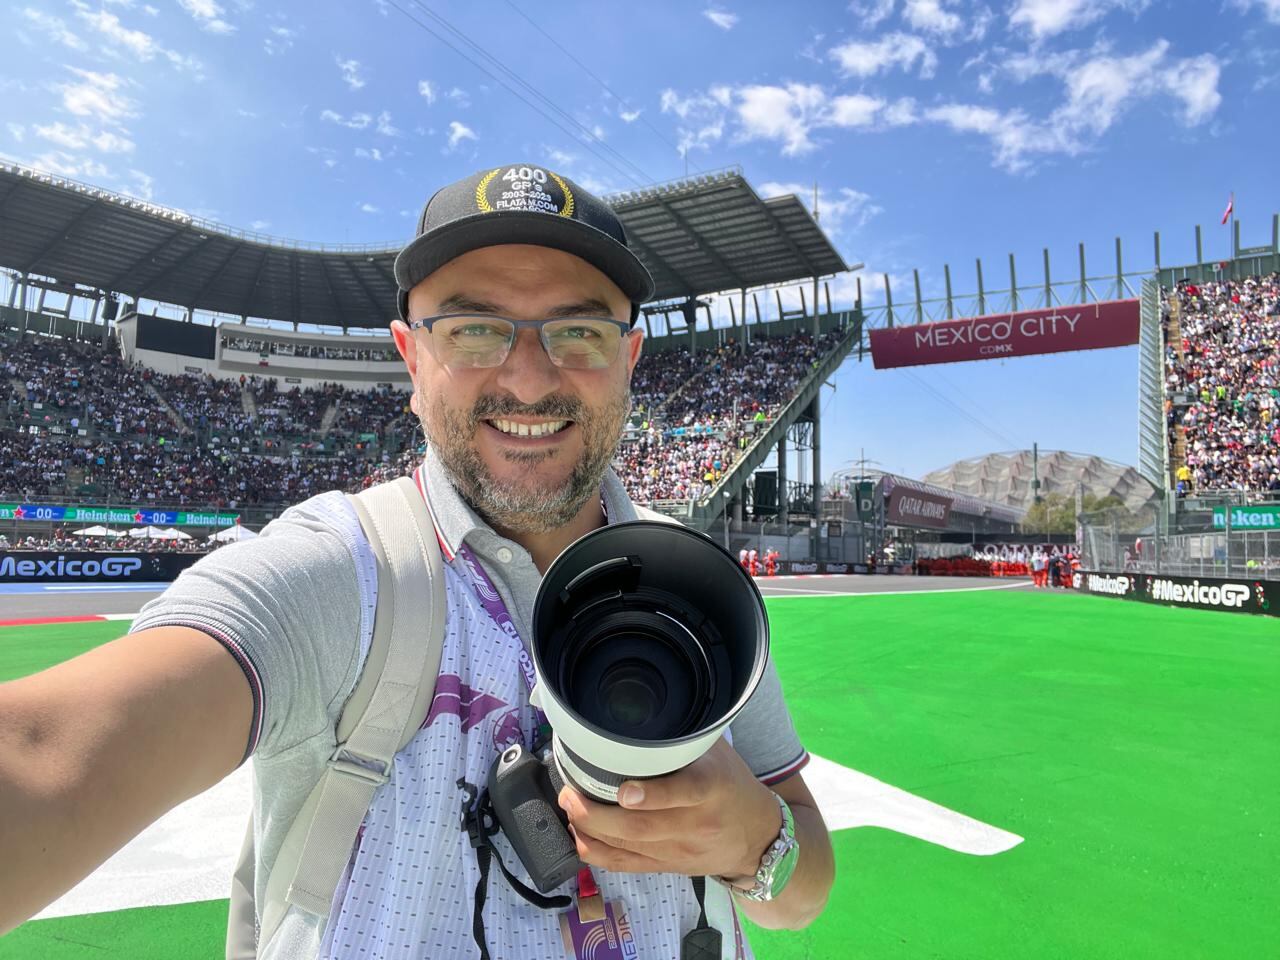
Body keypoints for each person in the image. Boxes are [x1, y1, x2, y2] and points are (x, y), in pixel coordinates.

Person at [0, 164, 834, 958]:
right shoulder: (334, 572)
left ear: (628, 357)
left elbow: (806, 887)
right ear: (410, 356)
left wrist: (754, 841)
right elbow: (40, 754)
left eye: (578, 331)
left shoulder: (698, 593)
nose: (529, 377)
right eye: (474, 330)